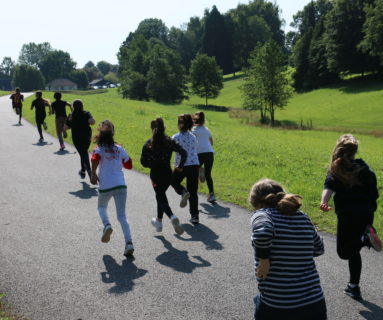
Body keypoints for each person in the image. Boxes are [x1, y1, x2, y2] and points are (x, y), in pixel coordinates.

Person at [250, 179, 327, 320]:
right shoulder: (302, 216)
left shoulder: (263, 214)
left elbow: (262, 233)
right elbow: (319, 249)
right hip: (314, 303)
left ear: (257, 203)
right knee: (258, 299)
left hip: (279, 305)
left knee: (260, 303)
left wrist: (264, 261)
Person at [320, 134, 382, 300]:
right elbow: (374, 193)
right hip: (366, 214)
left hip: (348, 215)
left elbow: (328, 187)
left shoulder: (336, 168)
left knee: (344, 252)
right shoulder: (365, 169)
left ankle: (364, 239)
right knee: (354, 252)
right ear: (354, 151)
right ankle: (353, 287)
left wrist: (324, 202)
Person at [90, 120, 134, 257]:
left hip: (106, 185)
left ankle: (107, 225)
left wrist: (93, 173)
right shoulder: (119, 148)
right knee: (122, 216)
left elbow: (94, 158)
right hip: (121, 184)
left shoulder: (98, 148)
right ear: (113, 134)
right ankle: (129, 243)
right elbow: (129, 165)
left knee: (101, 207)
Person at [140, 118, 186, 235]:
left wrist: (152, 164)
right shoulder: (169, 141)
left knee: (161, 197)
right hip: (168, 174)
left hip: (155, 175)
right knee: (160, 196)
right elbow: (183, 152)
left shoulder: (148, 144)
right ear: (164, 128)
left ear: (152, 129)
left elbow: (143, 162)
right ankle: (159, 222)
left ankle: (172, 217)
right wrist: (180, 166)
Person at [171, 114, 200, 224]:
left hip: (181, 166)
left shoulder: (176, 137)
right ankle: (195, 216)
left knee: (173, 181)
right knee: (193, 191)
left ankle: (183, 192)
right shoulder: (193, 136)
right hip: (194, 165)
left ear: (180, 124)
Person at [65, 100, 95, 179]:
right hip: (87, 136)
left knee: (83, 153)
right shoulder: (86, 113)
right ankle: (83, 171)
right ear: (82, 106)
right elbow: (92, 122)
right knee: (83, 153)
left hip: (76, 137)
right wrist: (89, 120)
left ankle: (88, 170)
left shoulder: (71, 116)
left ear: (73, 107)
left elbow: (65, 128)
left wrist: (71, 125)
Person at [192, 111, 216, 203]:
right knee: (208, 175)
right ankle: (212, 194)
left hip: (199, 154)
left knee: (193, 174)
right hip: (209, 153)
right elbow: (211, 142)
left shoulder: (193, 130)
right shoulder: (207, 129)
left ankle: (193, 193)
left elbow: (192, 143)